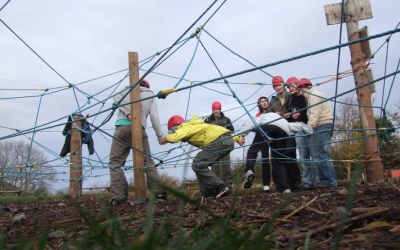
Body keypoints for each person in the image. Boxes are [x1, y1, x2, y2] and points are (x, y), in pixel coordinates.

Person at [108, 79, 167, 205]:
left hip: (122, 128)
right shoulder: (150, 93)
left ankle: (119, 198)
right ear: (146, 86)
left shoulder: (126, 90)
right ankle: (159, 193)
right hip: (140, 129)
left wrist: (128, 112)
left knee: (115, 163)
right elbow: (154, 116)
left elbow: (116, 97)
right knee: (147, 161)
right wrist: (160, 136)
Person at [160, 115, 245, 199]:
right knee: (199, 165)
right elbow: (221, 131)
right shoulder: (195, 126)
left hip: (219, 142)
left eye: (172, 132)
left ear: (175, 128)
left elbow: (178, 135)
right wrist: (238, 138)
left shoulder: (184, 127)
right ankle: (207, 193)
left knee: (197, 164)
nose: (173, 133)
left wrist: (166, 138)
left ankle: (221, 187)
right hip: (227, 141)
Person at [237, 112, 312, 193]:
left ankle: (249, 169)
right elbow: (299, 125)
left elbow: (249, 124)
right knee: (278, 161)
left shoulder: (258, 118)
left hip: (266, 126)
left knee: (253, 150)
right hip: (283, 131)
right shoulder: (283, 121)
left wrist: (240, 136)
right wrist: (309, 131)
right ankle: (284, 188)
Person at [296, 78, 337, 188]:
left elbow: (314, 114)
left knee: (321, 154)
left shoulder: (314, 96)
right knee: (321, 154)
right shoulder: (313, 96)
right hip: (323, 125)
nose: (300, 93)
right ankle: (325, 181)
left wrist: (309, 129)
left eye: (300, 90)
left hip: (322, 125)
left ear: (306, 87)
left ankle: (328, 181)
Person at [270, 75, 302, 192]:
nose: (278, 88)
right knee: (280, 157)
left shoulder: (291, 96)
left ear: (283, 85)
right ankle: (287, 185)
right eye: (275, 86)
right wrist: (275, 116)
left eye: (279, 85)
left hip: (290, 128)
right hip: (278, 131)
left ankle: (297, 181)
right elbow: (269, 116)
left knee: (290, 154)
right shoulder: (272, 101)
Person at [285, 77, 313, 191]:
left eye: (294, 84)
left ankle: (322, 180)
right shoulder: (290, 99)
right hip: (298, 130)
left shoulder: (305, 96)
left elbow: (312, 110)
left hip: (309, 126)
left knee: (315, 154)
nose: (292, 87)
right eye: (289, 86)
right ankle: (307, 182)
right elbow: (288, 115)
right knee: (303, 157)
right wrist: (291, 116)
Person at [243, 96, 271, 193]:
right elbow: (254, 128)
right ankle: (251, 171)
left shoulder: (273, 112)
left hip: (273, 135)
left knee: (271, 160)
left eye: (265, 101)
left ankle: (269, 184)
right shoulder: (257, 115)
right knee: (262, 157)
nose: (264, 103)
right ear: (259, 104)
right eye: (262, 101)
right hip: (262, 137)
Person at [204, 101, 234, 188]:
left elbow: (232, 130)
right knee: (214, 167)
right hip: (213, 146)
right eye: (214, 109)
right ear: (212, 110)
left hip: (225, 144)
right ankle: (215, 185)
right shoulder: (207, 120)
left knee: (226, 165)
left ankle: (228, 184)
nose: (216, 111)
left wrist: (231, 130)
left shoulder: (226, 120)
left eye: (217, 109)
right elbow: (203, 131)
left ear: (220, 110)